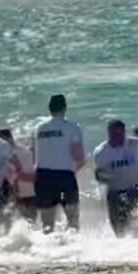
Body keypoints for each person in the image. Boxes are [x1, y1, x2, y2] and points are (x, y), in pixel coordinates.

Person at [33, 94, 85, 233]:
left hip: (43, 177)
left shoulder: (39, 128)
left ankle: (48, 252)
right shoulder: (72, 127)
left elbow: (34, 154)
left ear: (49, 108)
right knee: (73, 221)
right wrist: (73, 171)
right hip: (64, 176)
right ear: (65, 108)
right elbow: (79, 157)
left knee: (47, 224)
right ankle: (70, 251)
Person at [92, 119, 138, 236]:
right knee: (118, 229)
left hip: (134, 188)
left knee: (134, 223)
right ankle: (121, 249)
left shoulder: (135, 144)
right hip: (114, 192)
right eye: (114, 135)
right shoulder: (101, 152)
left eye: (120, 134)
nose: (118, 137)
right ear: (108, 134)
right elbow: (98, 176)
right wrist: (106, 177)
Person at [0, 128, 37, 225]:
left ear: (7, 139)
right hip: (32, 191)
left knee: (13, 223)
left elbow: (12, 174)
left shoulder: (7, 154)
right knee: (31, 222)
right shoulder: (25, 150)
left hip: (17, 193)